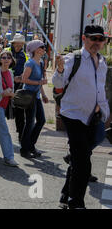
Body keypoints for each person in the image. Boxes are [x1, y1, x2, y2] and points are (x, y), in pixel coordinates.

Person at [53, 25, 110, 209]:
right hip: (74, 115)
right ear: (84, 39)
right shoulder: (73, 58)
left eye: (100, 39)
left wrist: (104, 111)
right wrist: (60, 69)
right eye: (93, 38)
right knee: (83, 164)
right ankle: (75, 202)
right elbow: (58, 83)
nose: (97, 42)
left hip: (93, 117)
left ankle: (65, 194)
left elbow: (100, 89)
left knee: (79, 158)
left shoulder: (102, 62)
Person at [20, 40, 49, 159]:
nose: (44, 49)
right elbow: (24, 79)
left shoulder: (41, 62)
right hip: (29, 96)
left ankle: (31, 145)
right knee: (30, 122)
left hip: (36, 96)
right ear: (36, 49)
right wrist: (39, 82)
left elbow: (40, 82)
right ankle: (24, 149)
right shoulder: (30, 63)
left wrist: (44, 94)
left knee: (41, 120)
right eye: (42, 47)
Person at [6, 34, 28, 140]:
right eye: (17, 44)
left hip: (19, 87)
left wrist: (22, 77)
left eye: (21, 44)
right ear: (13, 43)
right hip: (5, 85)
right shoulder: (6, 52)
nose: (19, 46)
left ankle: (21, 134)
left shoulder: (24, 55)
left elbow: (26, 70)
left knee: (20, 112)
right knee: (1, 109)